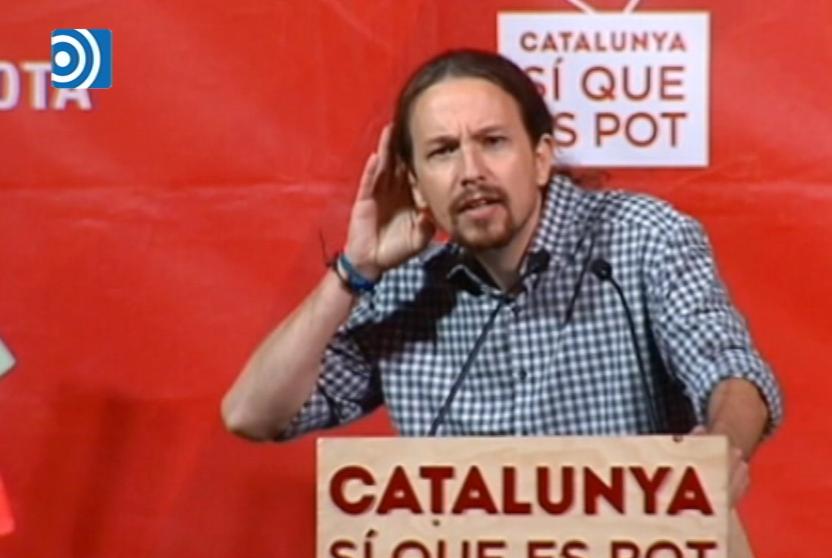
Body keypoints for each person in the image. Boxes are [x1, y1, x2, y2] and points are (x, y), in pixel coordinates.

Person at [221, 49, 782, 501]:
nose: (471, 172)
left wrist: (720, 448)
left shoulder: (641, 239)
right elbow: (252, 414)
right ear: (416, 184)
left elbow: (731, 372)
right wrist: (354, 271)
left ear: (540, 158)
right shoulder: (402, 285)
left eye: (492, 142)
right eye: (443, 152)